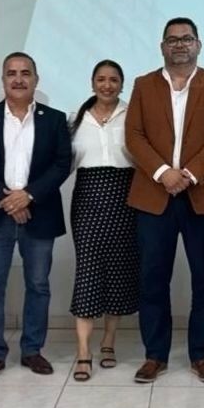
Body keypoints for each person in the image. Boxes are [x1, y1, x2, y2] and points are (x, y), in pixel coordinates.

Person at [125, 16, 204, 384]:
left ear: (198, 45)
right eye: (172, 39)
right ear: (162, 46)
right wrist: (163, 173)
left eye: (187, 38)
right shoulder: (143, 85)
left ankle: (201, 355)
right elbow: (134, 135)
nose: (180, 44)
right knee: (153, 278)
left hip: (201, 195)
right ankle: (154, 355)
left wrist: (188, 174)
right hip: (153, 196)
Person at [0, 52, 71, 381]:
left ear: (36, 79)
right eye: (11, 73)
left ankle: (32, 350)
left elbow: (61, 163)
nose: (18, 79)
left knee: (38, 285)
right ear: (3, 79)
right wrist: (7, 200)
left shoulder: (54, 119)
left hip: (38, 213)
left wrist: (27, 195)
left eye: (25, 73)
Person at [68, 59, 138, 381]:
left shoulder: (132, 114)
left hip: (125, 197)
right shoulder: (75, 118)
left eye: (113, 80)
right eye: (101, 79)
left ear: (121, 84)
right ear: (92, 82)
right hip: (87, 198)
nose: (107, 85)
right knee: (88, 271)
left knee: (118, 271)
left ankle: (108, 342)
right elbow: (64, 162)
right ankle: (83, 351)